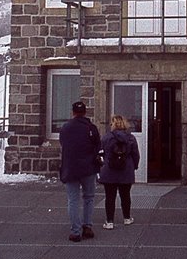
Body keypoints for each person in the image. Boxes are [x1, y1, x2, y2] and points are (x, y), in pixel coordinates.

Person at [59, 100, 102, 242]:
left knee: (73, 199)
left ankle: (75, 231)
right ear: (85, 112)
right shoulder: (91, 128)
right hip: (88, 168)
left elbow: (63, 144)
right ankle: (87, 227)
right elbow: (97, 146)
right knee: (88, 198)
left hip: (70, 168)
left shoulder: (65, 128)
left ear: (73, 112)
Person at [99, 115, 140, 229]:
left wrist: (101, 166)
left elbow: (100, 153)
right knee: (125, 195)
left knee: (110, 197)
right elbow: (135, 154)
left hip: (109, 170)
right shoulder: (131, 138)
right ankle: (127, 218)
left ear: (113, 124)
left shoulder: (106, 138)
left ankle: (109, 221)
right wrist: (134, 166)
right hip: (126, 170)